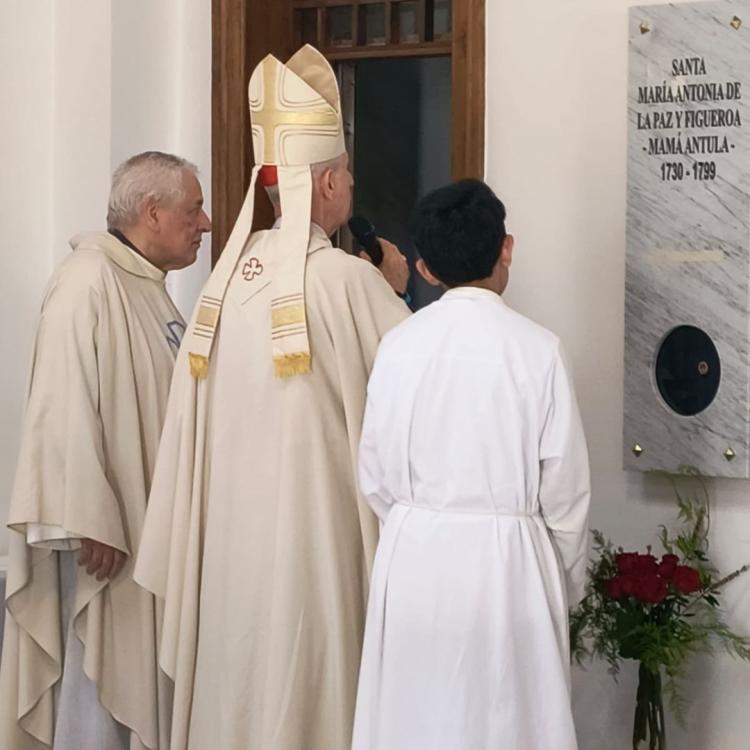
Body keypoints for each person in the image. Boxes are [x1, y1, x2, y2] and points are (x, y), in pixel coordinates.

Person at [134, 45, 410, 750]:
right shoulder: (351, 283)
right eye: (344, 172)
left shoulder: (220, 291)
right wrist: (401, 292)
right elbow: (422, 397)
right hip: (316, 551)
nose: (349, 183)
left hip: (227, 553)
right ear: (323, 186)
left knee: (240, 689)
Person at [351, 179, 591, 750]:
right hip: (510, 567)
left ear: (424, 268)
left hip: (415, 560)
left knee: (416, 718)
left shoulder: (399, 346)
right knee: (508, 722)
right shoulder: (539, 349)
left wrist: (420, 523)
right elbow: (567, 495)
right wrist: (561, 586)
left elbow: (376, 475)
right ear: (506, 248)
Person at [0, 151, 212, 750]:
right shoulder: (87, 281)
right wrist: (87, 516)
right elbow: (58, 403)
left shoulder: (144, 286)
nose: (205, 224)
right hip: (106, 542)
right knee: (100, 686)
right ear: (152, 213)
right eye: (193, 210)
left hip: (149, 530)